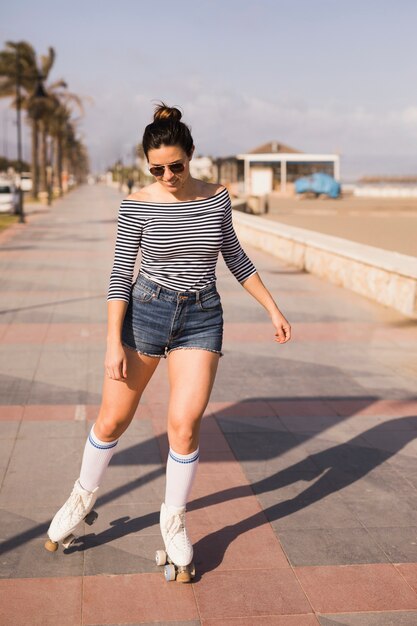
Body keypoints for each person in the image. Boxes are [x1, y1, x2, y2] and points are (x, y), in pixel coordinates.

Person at [45, 103, 291, 582]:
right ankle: (81, 498)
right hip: (146, 313)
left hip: (201, 317)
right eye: (157, 168)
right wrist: (112, 341)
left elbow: (235, 257)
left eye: (175, 166)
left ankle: (174, 521)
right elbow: (121, 274)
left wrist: (273, 309)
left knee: (184, 424)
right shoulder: (137, 203)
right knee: (113, 418)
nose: (168, 175)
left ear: (191, 155)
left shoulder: (216, 198)